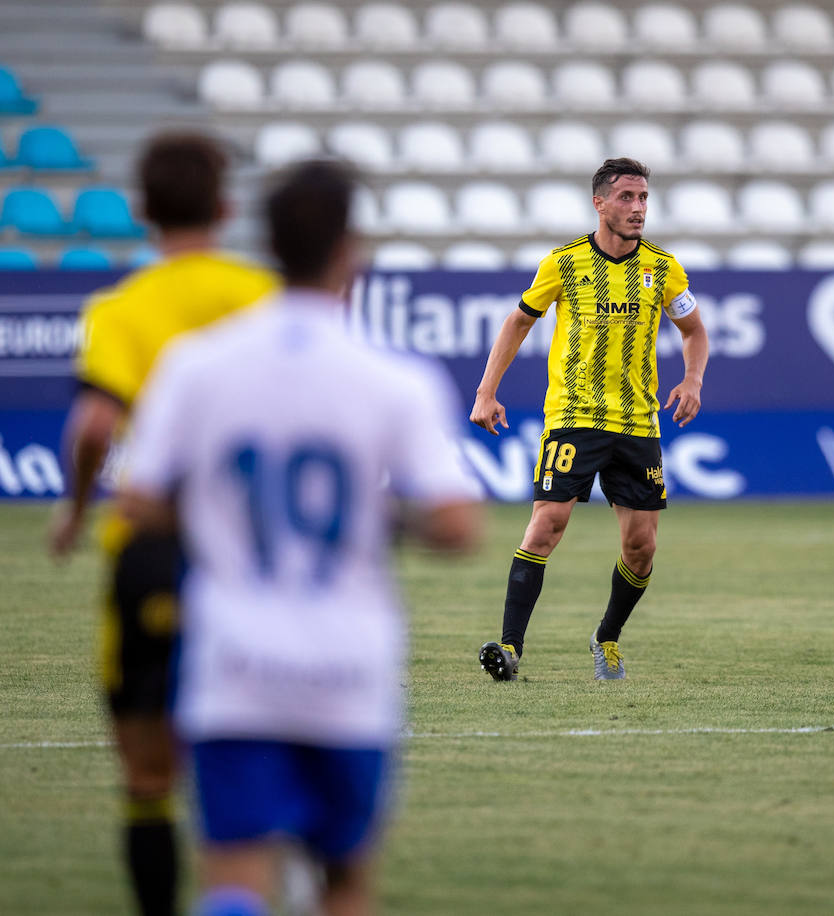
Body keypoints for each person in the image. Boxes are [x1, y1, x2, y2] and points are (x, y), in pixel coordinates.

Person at [117, 159, 485, 915]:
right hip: (347, 666)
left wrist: (216, 508)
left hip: (232, 658)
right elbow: (457, 526)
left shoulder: (200, 364)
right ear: (352, 247)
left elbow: (138, 499)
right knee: (345, 883)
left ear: (266, 242)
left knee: (232, 872)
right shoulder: (394, 378)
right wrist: (378, 517)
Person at [48, 131, 278, 916]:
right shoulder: (261, 297)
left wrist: (78, 508)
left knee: (148, 781)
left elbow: (89, 427)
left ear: (142, 213)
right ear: (225, 206)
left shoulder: (122, 309)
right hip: (247, 546)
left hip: (152, 548)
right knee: (251, 758)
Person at [469, 157, 709, 681]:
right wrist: (487, 391)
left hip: (638, 425)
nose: (638, 208)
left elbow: (694, 330)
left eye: (643, 198)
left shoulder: (664, 269)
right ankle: (510, 650)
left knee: (641, 547)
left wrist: (691, 381)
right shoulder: (565, 263)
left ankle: (607, 638)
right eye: (626, 197)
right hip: (573, 418)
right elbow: (518, 322)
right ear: (599, 202)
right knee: (546, 526)